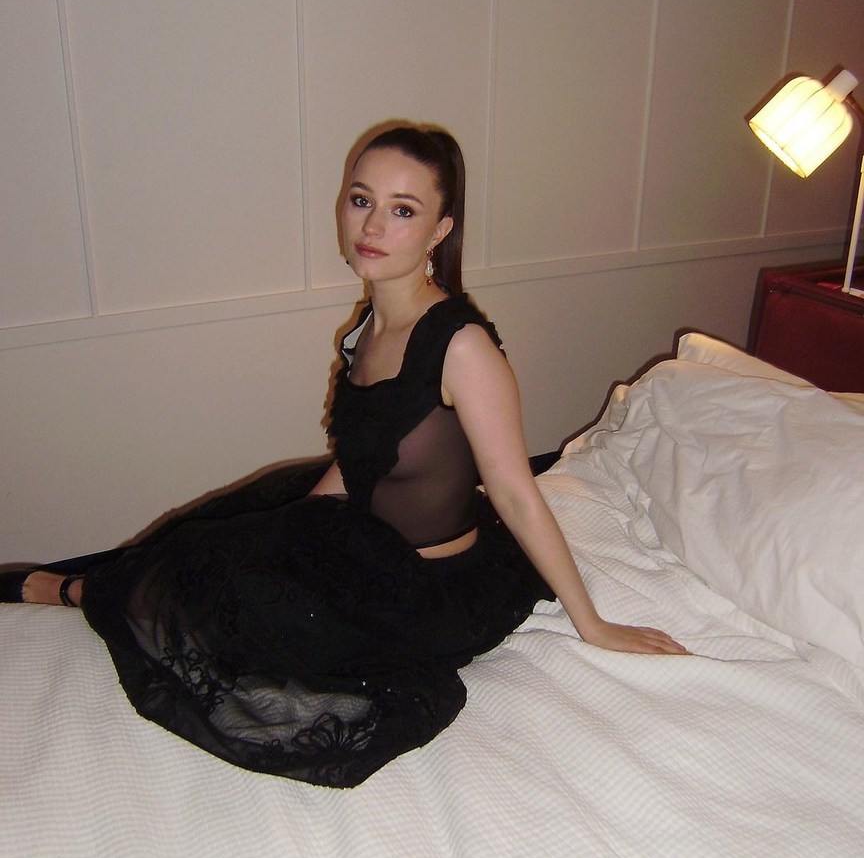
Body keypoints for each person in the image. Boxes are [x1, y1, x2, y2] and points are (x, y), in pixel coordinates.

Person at [0, 124, 686, 787]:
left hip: (422, 589)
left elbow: (514, 492)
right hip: (359, 534)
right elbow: (360, 458)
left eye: (403, 210)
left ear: (440, 230)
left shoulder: (462, 347)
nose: (372, 226)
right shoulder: (368, 325)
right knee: (208, 539)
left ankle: (72, 591)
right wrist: (282, 532)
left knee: (223, 605)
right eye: (362, 200)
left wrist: (592, 623)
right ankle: (99, 588)